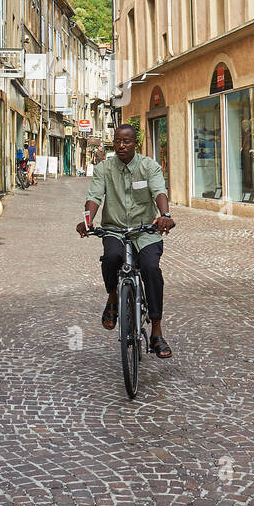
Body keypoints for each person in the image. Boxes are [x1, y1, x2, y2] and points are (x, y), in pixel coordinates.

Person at [76, 123, 174, 357]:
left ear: (135, 144)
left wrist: (165, 216)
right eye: (118, 141)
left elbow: (159, 191)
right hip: (115, 229)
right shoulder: (104, 169)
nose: (121, 145)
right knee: (110, 257)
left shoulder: (148, 166)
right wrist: (88, 220)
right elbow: (95, 196)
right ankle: (113, 298)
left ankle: (157, 332)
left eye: (126, 141)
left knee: (151, 268)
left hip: (145, 230)